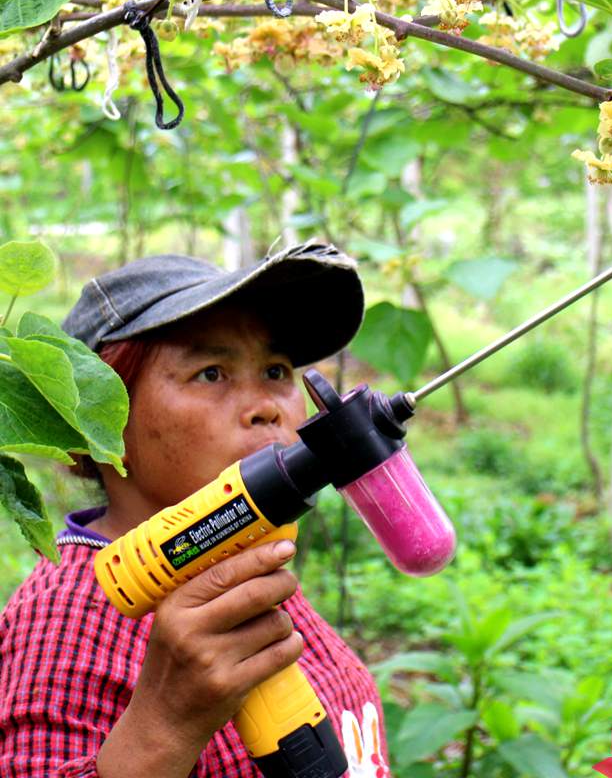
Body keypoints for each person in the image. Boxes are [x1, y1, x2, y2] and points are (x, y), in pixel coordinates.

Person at [0, 242, 391, 778]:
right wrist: (162, 728)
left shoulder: (240, 566)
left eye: (277, 370)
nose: (267, 407)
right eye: (211, 373)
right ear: (98, 425)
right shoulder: (70, 614)